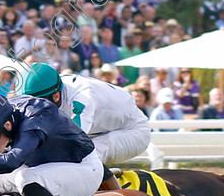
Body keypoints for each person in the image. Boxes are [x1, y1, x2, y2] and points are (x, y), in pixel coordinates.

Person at [18, 64, 150, 189]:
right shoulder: (52, 90)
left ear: (56, 96)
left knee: (86, 154)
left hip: (133, 130)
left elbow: (72, 144)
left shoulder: (82, 99)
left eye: (37, 104)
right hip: (99, 128)